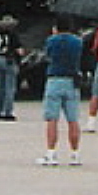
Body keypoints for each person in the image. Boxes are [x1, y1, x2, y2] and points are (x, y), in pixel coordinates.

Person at [36, 16, 83, 166]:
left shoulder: (51, 41)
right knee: (73, 119)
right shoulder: (78, 42)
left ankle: (51, 153)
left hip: (55, 79)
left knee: (52, 119)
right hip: (72, 81)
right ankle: (75, 154)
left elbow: (48, 56)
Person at [0, 14, 24, 122]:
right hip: (9, 60)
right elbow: (19, 50)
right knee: (10, 87)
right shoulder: (13, 35)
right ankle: (8, 112)